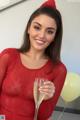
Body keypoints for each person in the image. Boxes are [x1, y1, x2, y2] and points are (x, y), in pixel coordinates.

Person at [0, 0, 67, 120]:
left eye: (49, 31)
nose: (41, 35)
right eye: (37, 27)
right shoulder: (8, 56)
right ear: (28, 29)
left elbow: (44, 116)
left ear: (55, 37)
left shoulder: (59, 70)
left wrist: (47, 98)